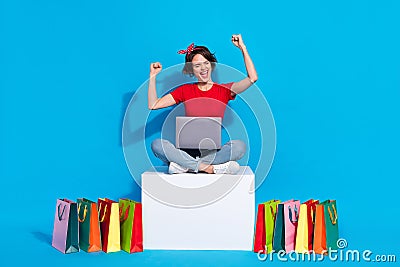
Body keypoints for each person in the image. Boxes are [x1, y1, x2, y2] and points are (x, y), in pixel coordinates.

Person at [148, 34, 258, 174]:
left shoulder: (224, 90)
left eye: (206, 63)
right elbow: (153, 104)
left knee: (240, 146)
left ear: (211, 65)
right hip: (185, 152)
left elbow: (252, 78)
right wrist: (153, 77)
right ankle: (208, 169)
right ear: (191, 70)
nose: (203, 68)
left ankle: (186, 166)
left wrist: (243, 48)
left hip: (212, 154)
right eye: (197, 65)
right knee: (157, 144)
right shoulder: (185, 90)